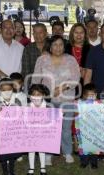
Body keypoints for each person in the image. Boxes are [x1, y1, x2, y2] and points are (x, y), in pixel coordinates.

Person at [32, 35, 80, 164]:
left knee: (66, 128)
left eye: (60, 45)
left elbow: (76, 78)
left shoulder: (71, 60)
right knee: (49, 128)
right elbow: (36, 79)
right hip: (48, 100)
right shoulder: (42, 59)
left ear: (64, 46)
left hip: (67, 99)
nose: (58, 47)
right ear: (50, 46)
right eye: (55, 45)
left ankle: (67, 152)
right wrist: (36, 96)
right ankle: (48, 153)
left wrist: (62, 87)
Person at [0, 78, 21, 175]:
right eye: (4, 90)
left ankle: (12, 172)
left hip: (12, 132)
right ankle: (5, 174)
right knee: (3, 153)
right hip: (0, 130)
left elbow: (21, 115)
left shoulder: (16, 101)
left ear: (13, 89)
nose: (6, 92)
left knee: (11, 153)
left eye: (9, 89)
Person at [0, 20, 24, 93]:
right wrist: (7, 79)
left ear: (14, 30)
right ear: (1, 30)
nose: (8, 30)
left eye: (11, 27)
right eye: (5, 27)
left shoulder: (20, 47)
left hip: (16, 89)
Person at [27, 84, 50, 175]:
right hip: (30, 133)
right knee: (31, 149)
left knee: (42, 149)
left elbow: (54, 117)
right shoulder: (27, 106)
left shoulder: (48, 106)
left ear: (43, 95)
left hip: (42, 133)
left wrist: (60, 113)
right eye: (34, 94)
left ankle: (42, 167)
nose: (36, 96)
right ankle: (31, 167)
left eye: (38, 94)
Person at [78, 83, 99, 169]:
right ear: (84, 95)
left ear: (96, 95)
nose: (90, 97)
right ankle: (84, 161)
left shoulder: (99, 104)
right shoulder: (80, 104)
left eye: (92, 95)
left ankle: (94, 162)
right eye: (88, 95)